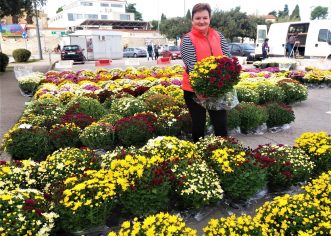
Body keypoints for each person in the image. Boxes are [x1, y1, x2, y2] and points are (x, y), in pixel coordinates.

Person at [181, 3, 231, 142]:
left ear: (210, 18)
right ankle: (200, 154)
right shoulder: (188, 39)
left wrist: (226, 82)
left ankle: (223, 151)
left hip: (217, 88)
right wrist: (199, 90)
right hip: (194, 90)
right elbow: (192, 67)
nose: (201, 21)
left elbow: (228, 60)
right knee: (199, 124)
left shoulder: (219, 36)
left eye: (205, 17)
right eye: (198, 18)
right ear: (192, 20)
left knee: (221, 124)